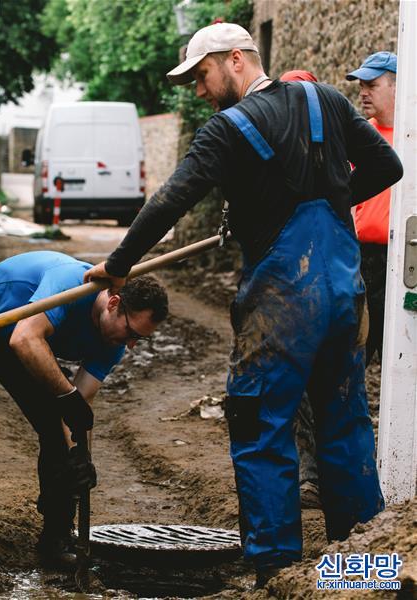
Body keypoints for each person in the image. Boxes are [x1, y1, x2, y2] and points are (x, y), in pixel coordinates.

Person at [83, 23, 402, 586]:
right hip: (345, 292)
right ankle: (361, 576)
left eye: (202, 76)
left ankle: (277, 574)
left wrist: (119, 264)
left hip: (283, 301)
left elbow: (170, 201)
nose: (199, 92)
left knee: (261, 422)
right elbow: (387, 166)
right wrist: (329, 196)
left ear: (235, 60)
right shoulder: (325, 99)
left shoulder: (227, 129)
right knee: (344, 422)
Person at [0, 251, 168, 567]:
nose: (132, 344)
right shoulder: (68, 283)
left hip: (12, 336)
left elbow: (78, 408)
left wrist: (80, 457)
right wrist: (68, 398)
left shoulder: (113, 343)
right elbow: (25, 340)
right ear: (113, 304)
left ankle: (56, 539)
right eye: (132, 333)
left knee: (57, 431)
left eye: (140, 339)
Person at [279, 69, 322, 510]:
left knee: (326, 383)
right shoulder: (275, 151)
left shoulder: (336, 148)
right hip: (286, 283)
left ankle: (316, 478)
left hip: (332, 275)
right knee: (300, 384)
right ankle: (306, 478)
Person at [346, 51, 397, 365]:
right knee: (354, 352)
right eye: (360, 85)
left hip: (402, 260)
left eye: (371, 85)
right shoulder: (362, 136)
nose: (363, 92)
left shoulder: (412, 136)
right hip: (361, 260)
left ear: (396, 86)